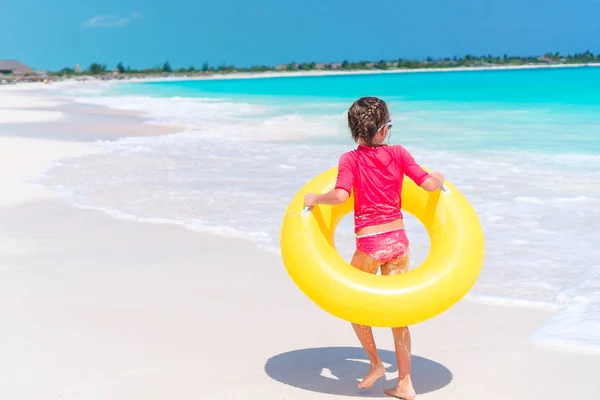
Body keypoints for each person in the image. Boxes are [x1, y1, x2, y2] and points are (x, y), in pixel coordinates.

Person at [303, 96, 444, 399]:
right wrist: (440, 177)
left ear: (354, 131)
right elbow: (429, 185)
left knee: (353, 305)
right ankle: (404, 382)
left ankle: (376, 364)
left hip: (370, 245)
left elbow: (340, 196)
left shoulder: (350, 159)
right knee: (398, 315)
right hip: (397, 242)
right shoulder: (399, 153)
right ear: (383, 130)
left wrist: (315, 198)